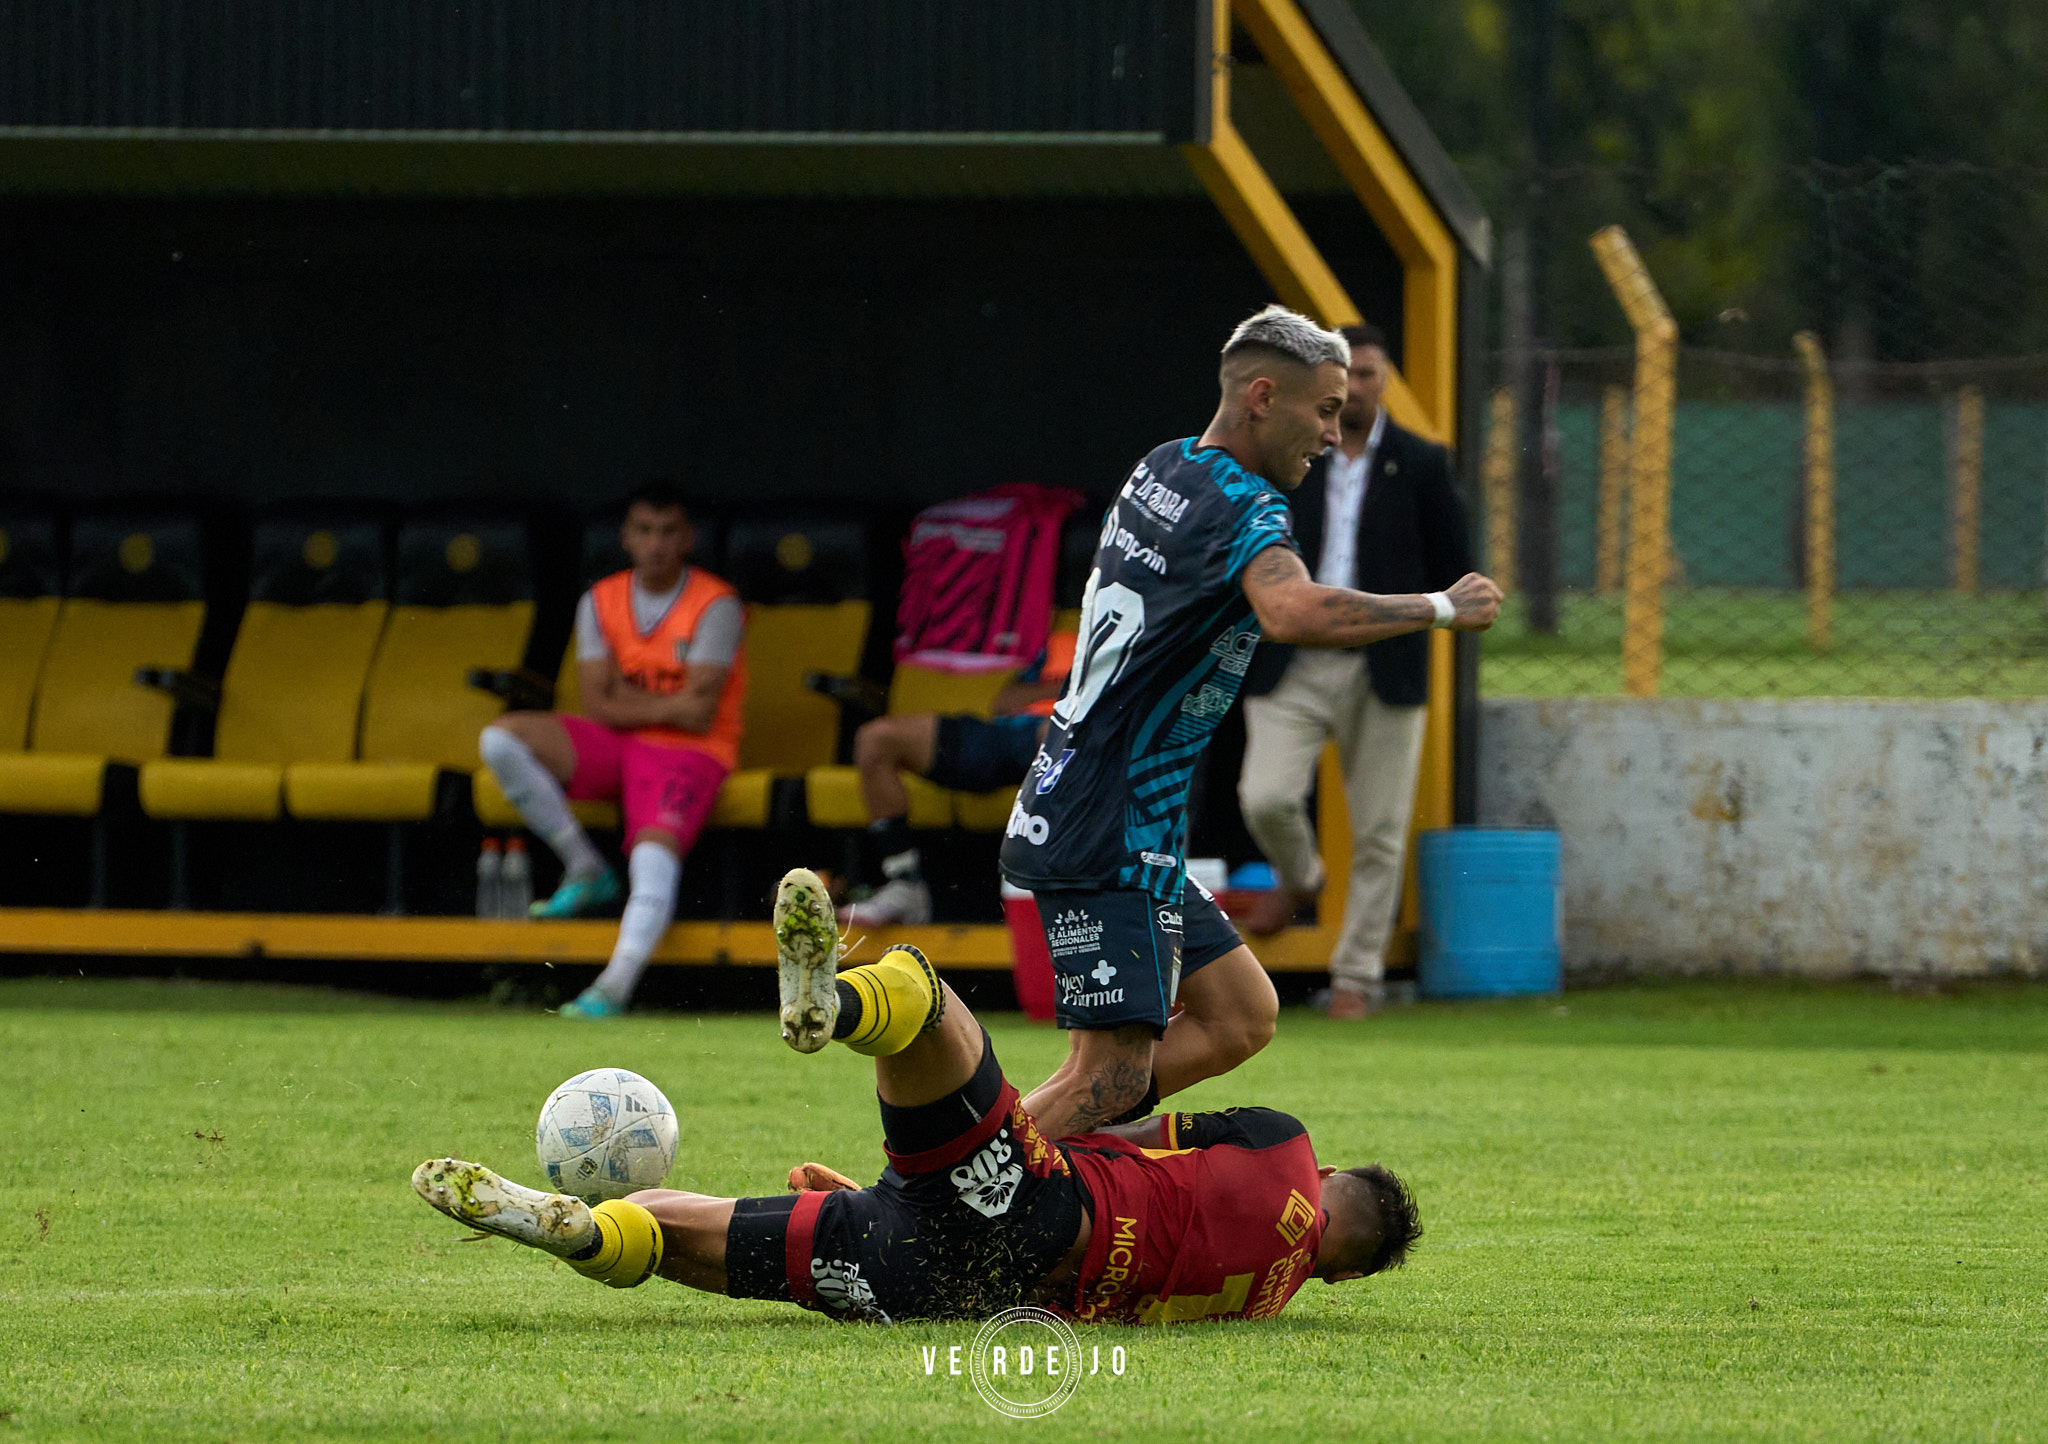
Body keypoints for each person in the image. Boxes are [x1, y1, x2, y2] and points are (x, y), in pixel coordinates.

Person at [411, 867, 1421, 1324]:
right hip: (955, 1286)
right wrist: (909, 1186)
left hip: (1029, 1204)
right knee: (706, 1234)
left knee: (933, 1002)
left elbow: (1127, 1122)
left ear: (1329, 1174)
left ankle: (837, 1001)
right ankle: (588, 1233)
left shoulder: (1284, 1147)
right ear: (1332, 1276)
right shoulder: (1261, 1302)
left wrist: (973, 1144)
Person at [999, 305, 1503, 1139]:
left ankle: (1036, 1164)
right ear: (1264, 396)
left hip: (1099, 804)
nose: (1335, 435)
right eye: (1326, 410)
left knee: (1239, 1015)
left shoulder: (1164, 467)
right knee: (1109, 1073)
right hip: (1110, 822)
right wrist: (1443, 606)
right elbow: (1291, 609)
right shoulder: (1247, 506)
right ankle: (934, 1200)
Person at [1236, 323, 1476, 1018]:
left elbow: (1454, 569)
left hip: (1386, 663)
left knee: (1379, 827)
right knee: (1266, 796)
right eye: (1347, 378)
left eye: (1369, 374)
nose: (1358, 389)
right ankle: (1300, 875)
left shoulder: (1423, 463)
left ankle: (1357, 976)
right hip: (1293, 658)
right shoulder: (1289, 454)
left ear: (1385, 379)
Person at [476, 481, 746, 1019]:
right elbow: (598, 706)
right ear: (626, 536)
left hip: (689, 752)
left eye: (669, 532)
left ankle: (612, 989)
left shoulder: (717, 603)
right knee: (501, 738)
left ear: (687, 537)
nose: (657, 544)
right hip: (617, 746)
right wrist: (659, 702)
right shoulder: (599, 600)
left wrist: (625, 697)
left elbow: (699, 713)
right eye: (645, 530)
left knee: (652, 858)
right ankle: (583, 866)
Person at [838, 631, 1074, 928]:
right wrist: (1066, 690)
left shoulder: (1134, 640)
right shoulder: (1058, 642)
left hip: (1064, 739)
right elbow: (1004, 701)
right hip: (1001, 733)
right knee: (876, 738)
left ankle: (1055, 889)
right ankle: (904, 884)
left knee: (1061, 739)